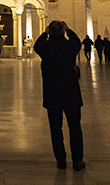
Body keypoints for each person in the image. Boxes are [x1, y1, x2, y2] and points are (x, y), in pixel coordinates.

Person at [34, 20, 85, 171]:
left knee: (55, 128)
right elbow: (77, 42)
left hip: (52, 94)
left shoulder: (45, 48)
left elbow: (37, 45)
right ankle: (77, 160)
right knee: (75, 127)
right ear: (63, 31)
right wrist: (69, 30)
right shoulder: (70, 46)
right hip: (71, 93)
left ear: (50, 31)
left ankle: (61, 160)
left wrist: (45, 33)